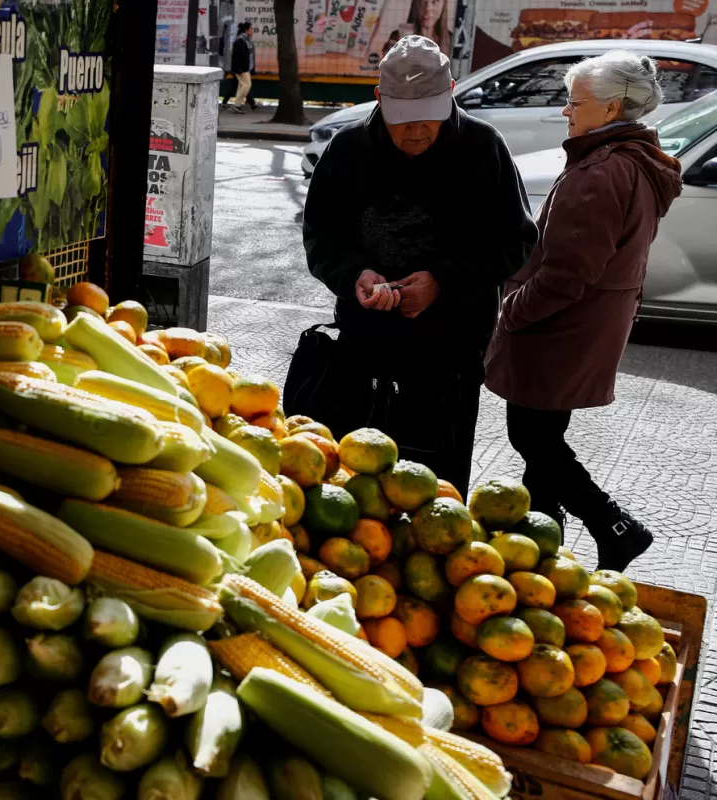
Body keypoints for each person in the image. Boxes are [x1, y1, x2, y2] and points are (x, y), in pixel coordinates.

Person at [291, 35, 538, 493]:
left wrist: (443, 283)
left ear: (451, 95)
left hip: (451, 353)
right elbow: (321, 238)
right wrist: (355, 276)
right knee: (355, 485)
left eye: (430, 117)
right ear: (379, 99)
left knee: (436, 489)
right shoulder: (347, 151)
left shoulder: (483, 147)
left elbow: (516, 240)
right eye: (404, 120)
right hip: (363, 348)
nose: (418, 131)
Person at [485, 51, 682, 571]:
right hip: (584, 328)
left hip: (560, 330)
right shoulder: (630, 160)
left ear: (613, 106)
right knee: (542, 438)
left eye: (576, 102)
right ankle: (541, 543)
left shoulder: (602, 172)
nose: (567, 111)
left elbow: (566, 274)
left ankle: (615, 527)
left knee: (532, 437)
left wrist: (513, 311)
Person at [372, 0, 449, 60]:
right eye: (422, 1)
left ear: (444, 4)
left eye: (435, 1)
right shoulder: (398, 37)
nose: (428, 9)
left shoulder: (452, 40)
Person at [227, 22, 255, 113]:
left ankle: (237, 105)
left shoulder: (245, 40)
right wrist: (238, 69)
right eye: (251, 29)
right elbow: (237, 56)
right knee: (247, 85)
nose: (252, 31)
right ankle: (237, 104)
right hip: (242, 68)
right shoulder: (240, 41)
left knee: (242, 86)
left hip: (245, 68)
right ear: (246, 30)